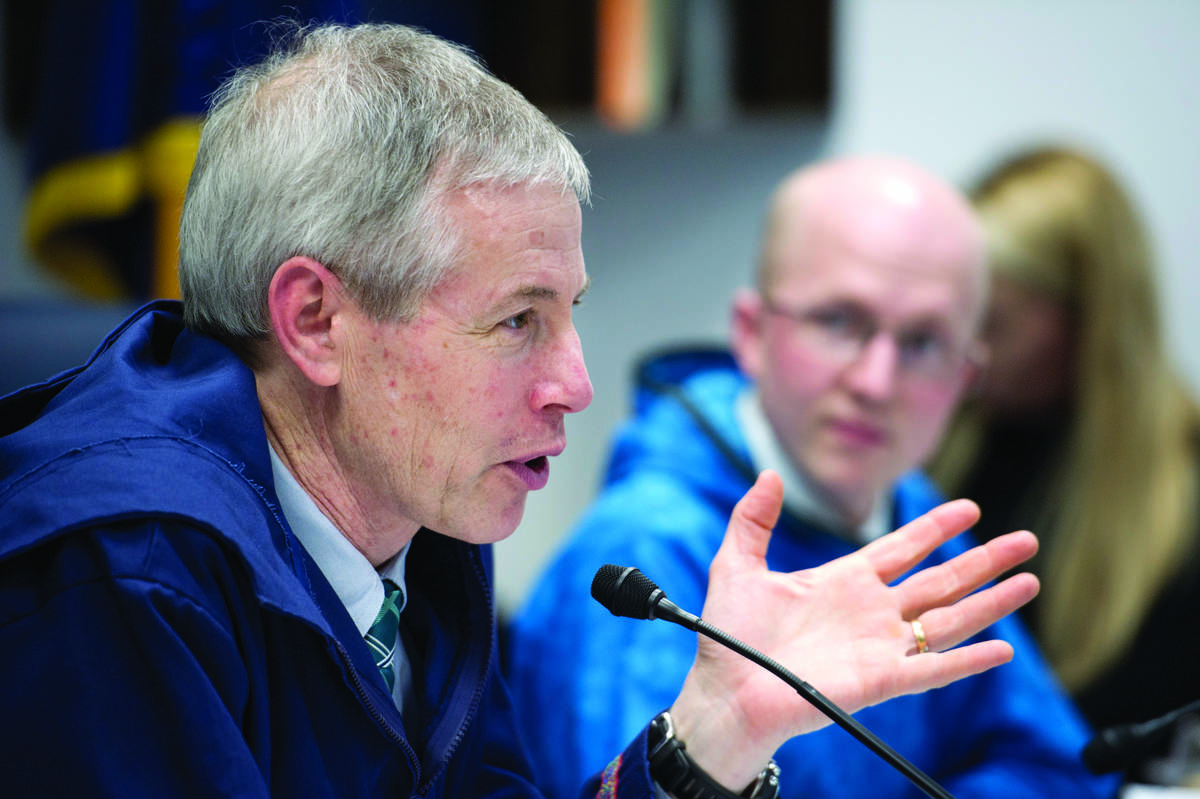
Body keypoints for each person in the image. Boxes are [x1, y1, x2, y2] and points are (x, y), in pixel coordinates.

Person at [0, 23, 1043, 798]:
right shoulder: (124, 574)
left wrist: (715, 728)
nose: (576, 383)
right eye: (516, 322)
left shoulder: (424, 532)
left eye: (569, 313)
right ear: (316, 319)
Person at [507, 156, 1119, 799]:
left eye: (923, 342)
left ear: (967, 378)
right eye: (838, 322)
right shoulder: (646, 552)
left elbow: (1062, 772)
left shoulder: (911, 513)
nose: (876, 383)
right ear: (751, 333)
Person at [927, 146, 1200, 784]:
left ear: (1089, 321)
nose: (968, 352)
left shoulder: (1185, 503)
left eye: (992, 322)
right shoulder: (937, 454)